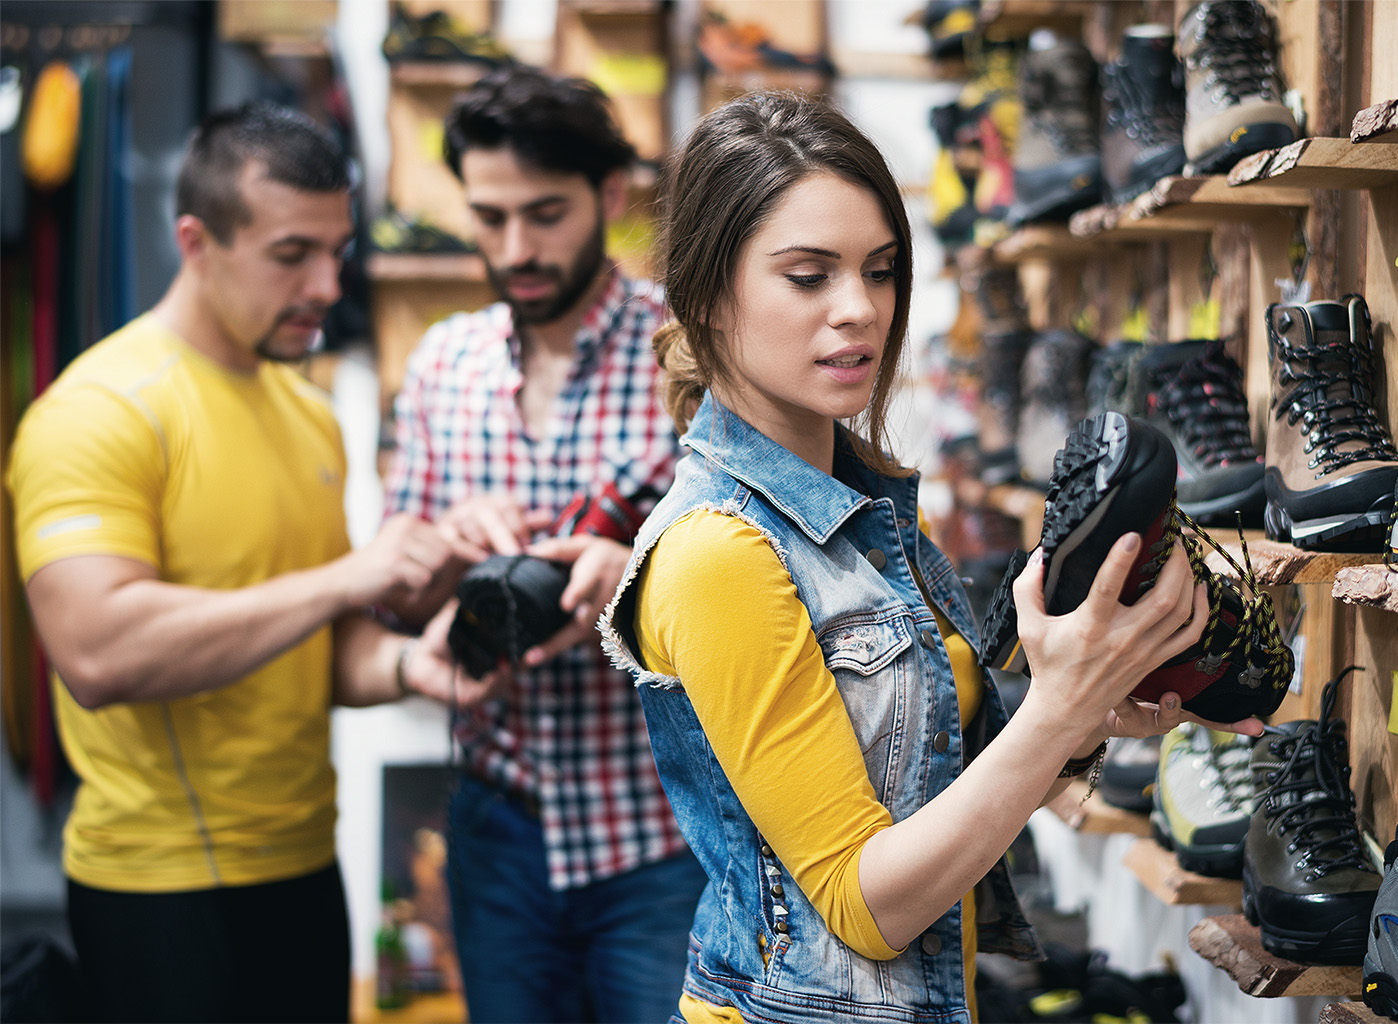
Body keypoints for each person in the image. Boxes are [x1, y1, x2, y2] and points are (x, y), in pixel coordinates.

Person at [596, 91, 1264, 1024]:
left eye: (880, 271)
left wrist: (1084, 717)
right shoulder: (718, 553)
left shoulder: (862, 507)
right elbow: (868, 905)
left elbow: (919, 781)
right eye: (807, 276)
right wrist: (1059, 708)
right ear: (706, 296)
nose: (859, 310)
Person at [6, 102, 506, 1024]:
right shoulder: (100, 411)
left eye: (337, 248)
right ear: (196, 242)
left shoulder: (305, 411)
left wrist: (407, 658)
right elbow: (98, 653)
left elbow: (316, 642)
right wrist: (351, 576)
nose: (326, 283)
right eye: (290, 254)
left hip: (306, 864)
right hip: (159, 885)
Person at [381, 65, 705, 1024]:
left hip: (663, 824)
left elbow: (776, 573)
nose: (515, 247)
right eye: (489, 217)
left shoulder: (690, 352)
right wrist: (445, 552)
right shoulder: (444, 362)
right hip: (501, 825)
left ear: (610, 197)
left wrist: (634, 581)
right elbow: (400, 604)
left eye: (545, 213)